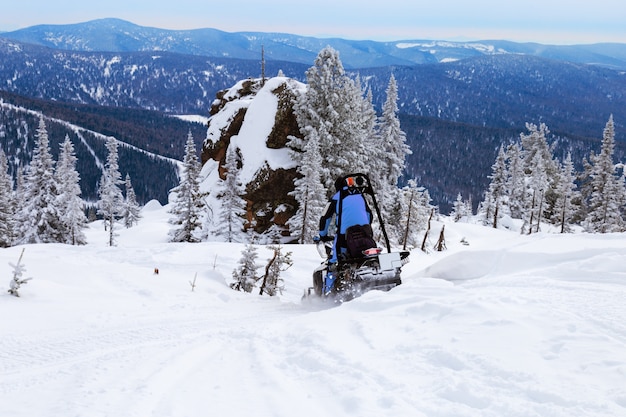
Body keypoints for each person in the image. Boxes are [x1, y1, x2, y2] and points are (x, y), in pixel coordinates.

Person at [317, 175, 373, 294]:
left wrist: (323, 235)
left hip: (345, 238)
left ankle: (327, 294)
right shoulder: (360, 196)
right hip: (366, 235)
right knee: (368, 259)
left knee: (334, 263)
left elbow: (325, 218)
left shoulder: (337, 198)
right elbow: (369, 215)